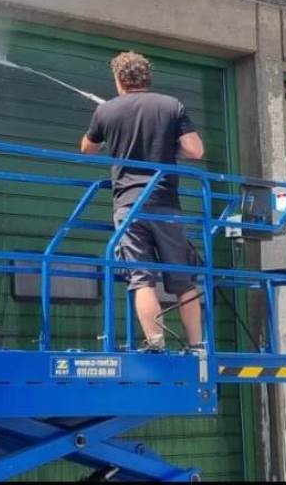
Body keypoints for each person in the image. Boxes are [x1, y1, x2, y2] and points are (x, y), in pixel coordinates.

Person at [80, 51, 205, 351]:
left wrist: (111, 130)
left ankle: (156, 343)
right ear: (148, 77)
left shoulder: (106, 111)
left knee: (141, 279)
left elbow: (87, 149)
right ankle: (197, 345)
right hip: (166, 203)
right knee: (184, 280)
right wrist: (169, 143)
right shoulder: (171, 105)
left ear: (118, 79)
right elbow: (195, 150)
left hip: (129, 205)